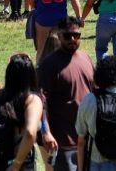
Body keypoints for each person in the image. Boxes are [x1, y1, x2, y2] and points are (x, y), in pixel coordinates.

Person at [38, 16, 94, 171]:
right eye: (67, 35)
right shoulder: (49, 65)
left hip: (88, 138)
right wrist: (46, 132)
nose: (72, 39)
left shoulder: (86, 58)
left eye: (76, 35)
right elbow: (41, 103)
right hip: (64, 141)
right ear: (59, 36)